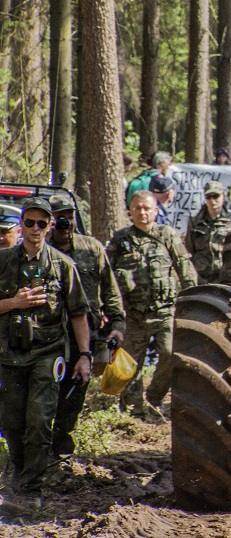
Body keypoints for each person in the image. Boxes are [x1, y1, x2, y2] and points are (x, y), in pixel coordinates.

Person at [0, 198, 90, 498]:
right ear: (21, 225)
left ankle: (31, 488)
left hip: (48, 353)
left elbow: (78, 314)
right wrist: (15, 303)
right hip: (10, 354)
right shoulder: (4, 261)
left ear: (50, 226)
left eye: (42, 223)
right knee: (12, 421)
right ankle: (19, 471)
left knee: (39, 421)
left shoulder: (63, 266)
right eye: (29, 222)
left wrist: (85, 356)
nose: (35, 229)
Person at [47, 195, 126, 458]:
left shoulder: (92, 249)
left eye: (69, 216)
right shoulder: (41, 251)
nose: (65, 223)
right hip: (49, 333)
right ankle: (40, 448)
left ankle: (61, 447)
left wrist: (117, 323)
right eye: (59, 217)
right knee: (46, 390)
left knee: (75, 391)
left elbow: (110, 288)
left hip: (85, 333)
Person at [107, 191, 197, 418]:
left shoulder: (167, 235)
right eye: (137, 208)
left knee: (169, 353)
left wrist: (192, 303)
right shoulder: (120, 240)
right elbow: (105, 276)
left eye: (147, 208)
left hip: (165, 311)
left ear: (156, 211)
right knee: (130, 364)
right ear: (130, 211)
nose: (142, 212)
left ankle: (154, 397)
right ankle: (133, 407)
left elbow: (186, 271)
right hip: (134, 314)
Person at [185, 181, 231, 283]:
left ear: (224, 195)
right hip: (202, 277)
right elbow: (190, 250)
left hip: (228, 275)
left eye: (216, 196)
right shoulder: (195, 221)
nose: (212, 201)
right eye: (209, 197)